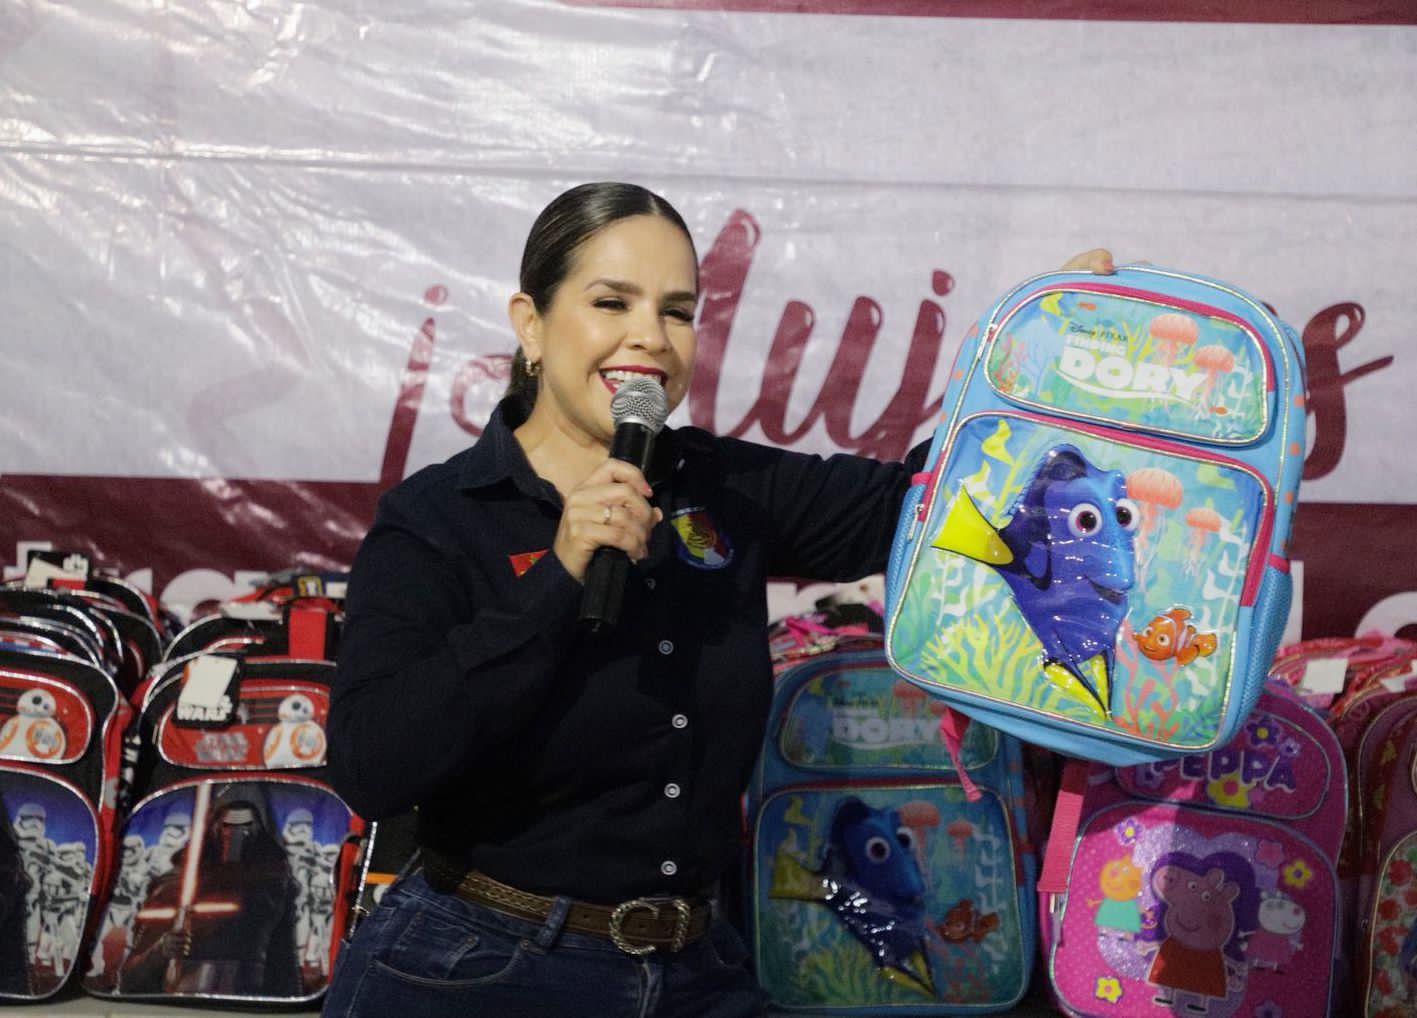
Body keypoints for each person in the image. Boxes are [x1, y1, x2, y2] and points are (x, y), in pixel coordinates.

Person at [322, 180, 1114, 1018]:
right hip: (477, 968)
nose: (648, 337)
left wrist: (1035, 359)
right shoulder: (439, 518)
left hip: (691, 968)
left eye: (676, 311)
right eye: (610, 302)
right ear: (531, 324)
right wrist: (558, 577)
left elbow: (921, 504)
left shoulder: (720, 485)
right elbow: (373, 768)